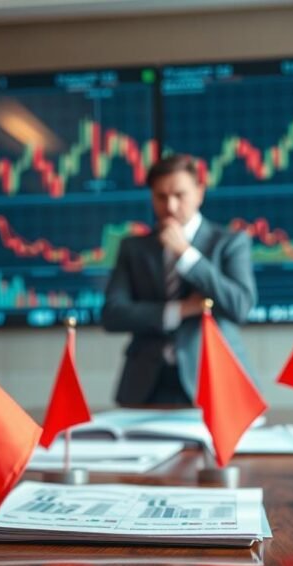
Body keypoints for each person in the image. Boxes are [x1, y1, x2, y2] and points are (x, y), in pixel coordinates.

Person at [102, 154, 257, 406]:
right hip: (145, 387)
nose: (170, 206)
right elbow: (112, 314)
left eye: (179, 195)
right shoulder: (133, 247)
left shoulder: (230, 242)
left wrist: (187, 255)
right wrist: (180, 310)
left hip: (213, 382)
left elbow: (240, 306)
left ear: (199, 192)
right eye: (161, 197)